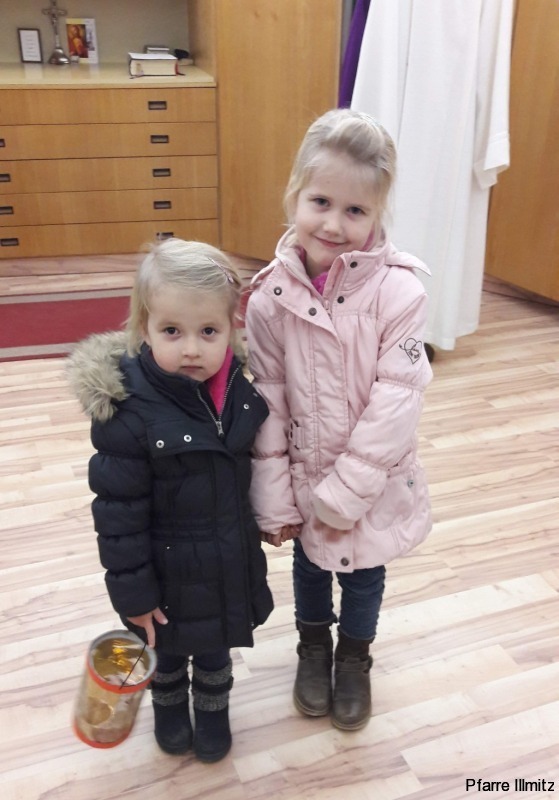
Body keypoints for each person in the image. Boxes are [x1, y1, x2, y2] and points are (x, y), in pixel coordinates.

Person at [245, 108, 433, 732]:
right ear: (294, 195)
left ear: (377, 213)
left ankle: (354, 657)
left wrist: (348, 491)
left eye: (355, 210)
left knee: (364, 573)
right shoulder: (269, 299)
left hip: (372, 481)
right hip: (304, 470)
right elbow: (267, 400)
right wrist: (275, 498)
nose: (333, 223)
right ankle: (313, 648)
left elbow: (397, 399)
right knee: (308, 567)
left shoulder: (401, 294)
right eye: (320, 202)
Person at [67, 238, 273, 762]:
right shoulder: (129, 414)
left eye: (209, 332)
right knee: (168, 651)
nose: (192, 350)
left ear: (231, 329)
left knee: (215, 649)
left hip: (224, 561)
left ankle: (213, 709)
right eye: (172, 331)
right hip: (163, 574)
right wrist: (134, 595)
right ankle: (168, 705)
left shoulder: (240, 393)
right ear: (145, 328)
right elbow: (117, 518)